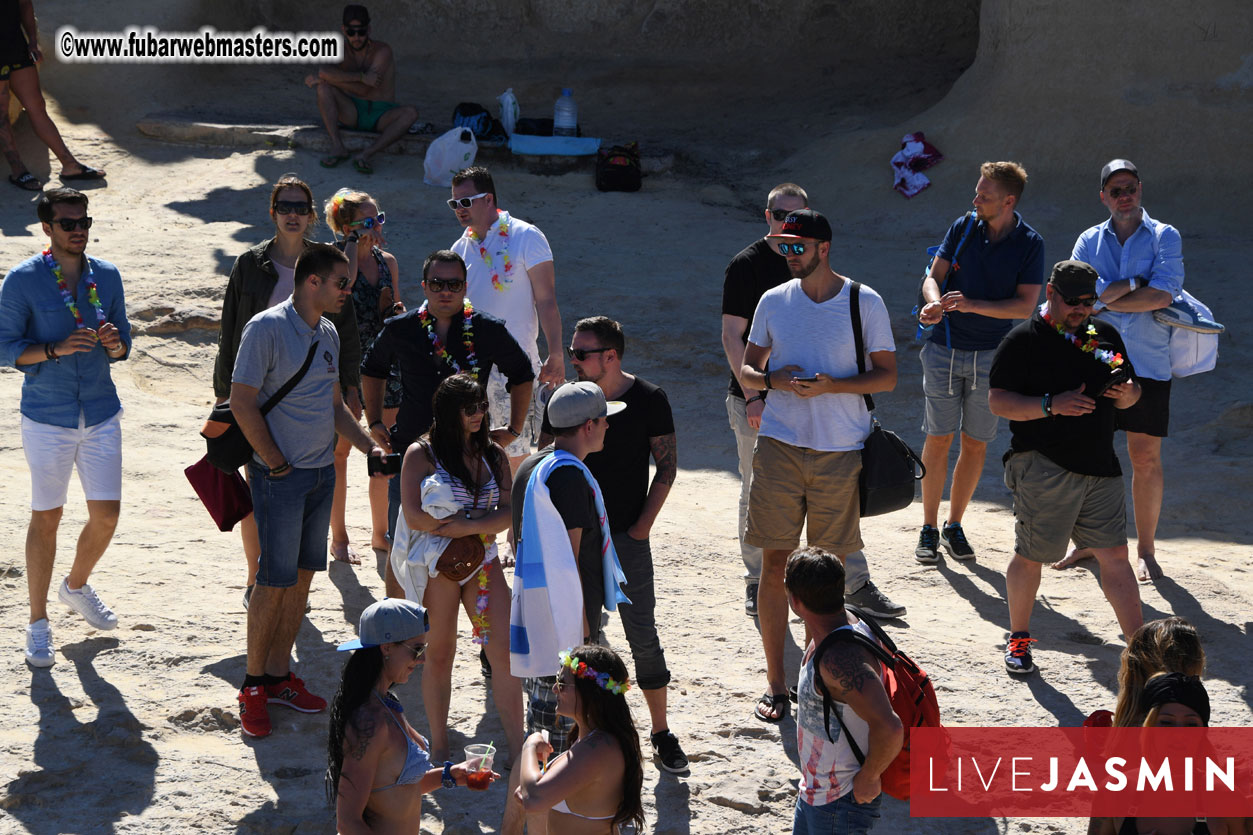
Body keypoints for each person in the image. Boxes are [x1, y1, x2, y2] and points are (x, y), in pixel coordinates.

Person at [738, 208, 904, 723]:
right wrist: (774, 382)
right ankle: (777, 683)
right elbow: (747, 367)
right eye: (782, 247)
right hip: (781, 446)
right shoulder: (773, 300)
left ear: (823, 248)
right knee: (773, 566)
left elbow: (887, 377)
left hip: (840, 450)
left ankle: (824, 680)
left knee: (826, 579)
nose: (788, 255)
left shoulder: (864, 301)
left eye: (796, 247)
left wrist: (832, 385)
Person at [230, 243, 387, 738]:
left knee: (301, 579)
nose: (348, 291)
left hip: (320, 475)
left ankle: (277, 676)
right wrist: (274, 461)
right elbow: (241, 401)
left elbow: (335, 404)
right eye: (342, 282)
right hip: (280, 478)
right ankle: (253, 686)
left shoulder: (330, 332)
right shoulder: (266, 328)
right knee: (272, 581)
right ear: (312, 281)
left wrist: (366, 448)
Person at [988, 259, 1144, 676]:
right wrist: (1049, 404)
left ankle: (1141, 649)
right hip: (1044, 465)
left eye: (1089, 302)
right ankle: (1019, 639)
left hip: (1101, 465)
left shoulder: (1103, 335)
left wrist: (1128, 395)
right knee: (1032, 556)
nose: (1080, 310)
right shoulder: (1024, 340)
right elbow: (998, 402)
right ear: (1051, 295)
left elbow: (1132, 389)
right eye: (1072, 301)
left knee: (1115, 555)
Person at [546, 316, 688, 773]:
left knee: (641, 633)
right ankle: (586, 730)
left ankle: (661, 731)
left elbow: (666, 467)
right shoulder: (569, 401)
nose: (574, 361)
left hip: (626, 538)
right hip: (577, 538)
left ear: (611, 356)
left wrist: (642, 528)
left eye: (582, 354)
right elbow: (552, 460)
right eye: (572, 352)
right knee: (579, 635)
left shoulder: (648, 400)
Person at [213, 174, 363, 604]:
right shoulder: (249, 263)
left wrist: (349, 384)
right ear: (273, 213)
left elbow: (344, 328)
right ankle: (254, 578)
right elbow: (231, 331)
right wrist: (226, 394)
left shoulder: (327, 264)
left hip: (313, 394)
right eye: (285, 207)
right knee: (258, 485)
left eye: (301, 208)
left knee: (308, 481)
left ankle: (290, 582)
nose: (292, 215)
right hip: (258, 393)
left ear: (313, 215)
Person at [0, 187, 129, 667]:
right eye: (68, 223)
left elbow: (123, 346)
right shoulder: (22, 280)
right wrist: (55, 349)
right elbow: (6, 349)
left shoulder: (107, 276)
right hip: (47, 416)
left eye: (84, 222)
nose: (78, 230)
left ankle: (74, 586)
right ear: (47, 228)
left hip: (100, 412)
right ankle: (37, 624)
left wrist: (114, 343)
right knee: (46, 517)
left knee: (108, 516)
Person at [361, 250, 534, 595]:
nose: (445, 291)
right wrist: (374, 418)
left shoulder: (487, 328)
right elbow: (372, 367)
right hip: (414, 450)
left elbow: (522, 373)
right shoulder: (402, 328)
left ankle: (473, 617)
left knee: (472, 541)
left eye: (454, 284)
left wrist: (514, 429)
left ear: (465, 287)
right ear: (424, 286)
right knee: (404, 544)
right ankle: (402, 629)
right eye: (437, 283)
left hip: (469, 453)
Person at [502, 381, 630, 835]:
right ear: (590, 425)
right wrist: (580, 652)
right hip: (565, 635)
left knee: (542, 741)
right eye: (605, 419)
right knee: (556, 750)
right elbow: (568, 566)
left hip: (539, 626)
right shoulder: (570, 477)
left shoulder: (531, 467)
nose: (609, 427)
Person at [915, 161, 1044, 565]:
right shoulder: (964, 226)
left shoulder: (1029, 243)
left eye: (984, 195)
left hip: (994, 357)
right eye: (976, 192)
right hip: (943, 350)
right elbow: (931, 276)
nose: (975, 200)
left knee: (975, 443)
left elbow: (1024, 307)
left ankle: (954, 525)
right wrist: (934, 301)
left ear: (1008, 201)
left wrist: (971, 304)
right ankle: (929, 527)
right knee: (938, 438)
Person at [1062, 160, 1185, 582]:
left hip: (1149, 363)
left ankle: (1146, 551)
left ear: (1140, 189)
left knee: (1146, 459)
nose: (1124, 195)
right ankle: (1089, 543)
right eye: (1115, 190)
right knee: (1086, 454)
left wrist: (1105, 299)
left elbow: (1163, 293)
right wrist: (1135, 284)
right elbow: (1077, 297)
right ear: (1103, 197)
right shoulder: (1088, 240)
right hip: (1095, 359)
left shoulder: (1165, 235)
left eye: (1129, 187)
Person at [397, 373, 523, 767]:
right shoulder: (421, 454)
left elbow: (505, 516)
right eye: (471, 408)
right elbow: (413, 516)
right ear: (449, 412)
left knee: (501, 652)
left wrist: (467, 527)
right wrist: (458, 530)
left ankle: (518, 746)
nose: (480, 415)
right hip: (439, 563)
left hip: (482, 559)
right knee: (440, 653)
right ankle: (438, 744)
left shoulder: (494, 454)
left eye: (483, 406)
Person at [328, 598, 498, 833]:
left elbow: (397, 787)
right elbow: (347, 822)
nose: (423, 659)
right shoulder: (369, 722)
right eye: (417, 649)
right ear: (386, 648)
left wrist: (449, 775)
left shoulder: (387, 703)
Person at [721, 183, 809, 615]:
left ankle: (802, 575)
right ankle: (757, 578)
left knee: (807, 486)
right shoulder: (746, 265)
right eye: (780, 215)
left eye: (796, 217)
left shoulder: (811, 262)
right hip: (755, 399)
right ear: (767, 216)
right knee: (756, 489)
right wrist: (753, 395)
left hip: (803, 395)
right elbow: (732, 337)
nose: (786, 225)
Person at [449, 165, 564, 470]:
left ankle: (518, 518)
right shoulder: (459, 250)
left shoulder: (526, 236)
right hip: (474, 368)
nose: (459, 210)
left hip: (518, 366)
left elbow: (547, 299)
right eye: (454, 204)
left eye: (465, 201)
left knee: (519, 456)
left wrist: (555, 352)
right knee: (478, 453)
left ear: (488, 199)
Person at [785, 548, 903, 835]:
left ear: (795, 601)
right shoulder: (848, 619)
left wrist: (870, 776)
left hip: (841, 799)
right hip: (816, 790)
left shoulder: (839, 659)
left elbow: (890, 726)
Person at [325, 188, 403, 564]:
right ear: (345, 228)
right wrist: (353, 245)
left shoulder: (387, 261)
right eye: (367, 221)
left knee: (384, 447)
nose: (377, 227)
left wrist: (397, 310)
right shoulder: (331, 261)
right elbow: (344, 287)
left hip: (385, 366)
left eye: (379, 218)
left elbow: (394, 313)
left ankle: (380, 533)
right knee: (340, 452)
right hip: (344, 365)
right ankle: (338, 537)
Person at [515, 644, 646, 835]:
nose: (554, 689)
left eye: (562, 683)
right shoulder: (593, 738)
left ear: (589, 691)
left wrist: (529, 744)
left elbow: (533, 800)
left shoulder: (599, 749)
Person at [1090, 674, 1239, 835]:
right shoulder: (1113, 792)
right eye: (1166, 722)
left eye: (1191, 725)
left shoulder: (1228, 800)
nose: (1179, 734)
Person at [303, 4, 419, 176]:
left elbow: (364, 91)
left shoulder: (382, 51)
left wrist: (333, 79)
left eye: (361, 32)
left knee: (411, 113)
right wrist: (361, 77)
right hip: (354, 111)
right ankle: (338, 147)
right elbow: (323, 72)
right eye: (351, 32)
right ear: (344, 30)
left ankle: (367, 154)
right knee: (323, 88)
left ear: (369, 30)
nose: (356, 37)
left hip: (382, 114)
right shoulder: (339, 49)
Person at [0, 0, 104, 191]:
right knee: (1, 113)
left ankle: (70, 165)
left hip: (15, 46)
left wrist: (33, 41)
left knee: (37, 106)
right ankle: (18, 170)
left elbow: (25, 4)